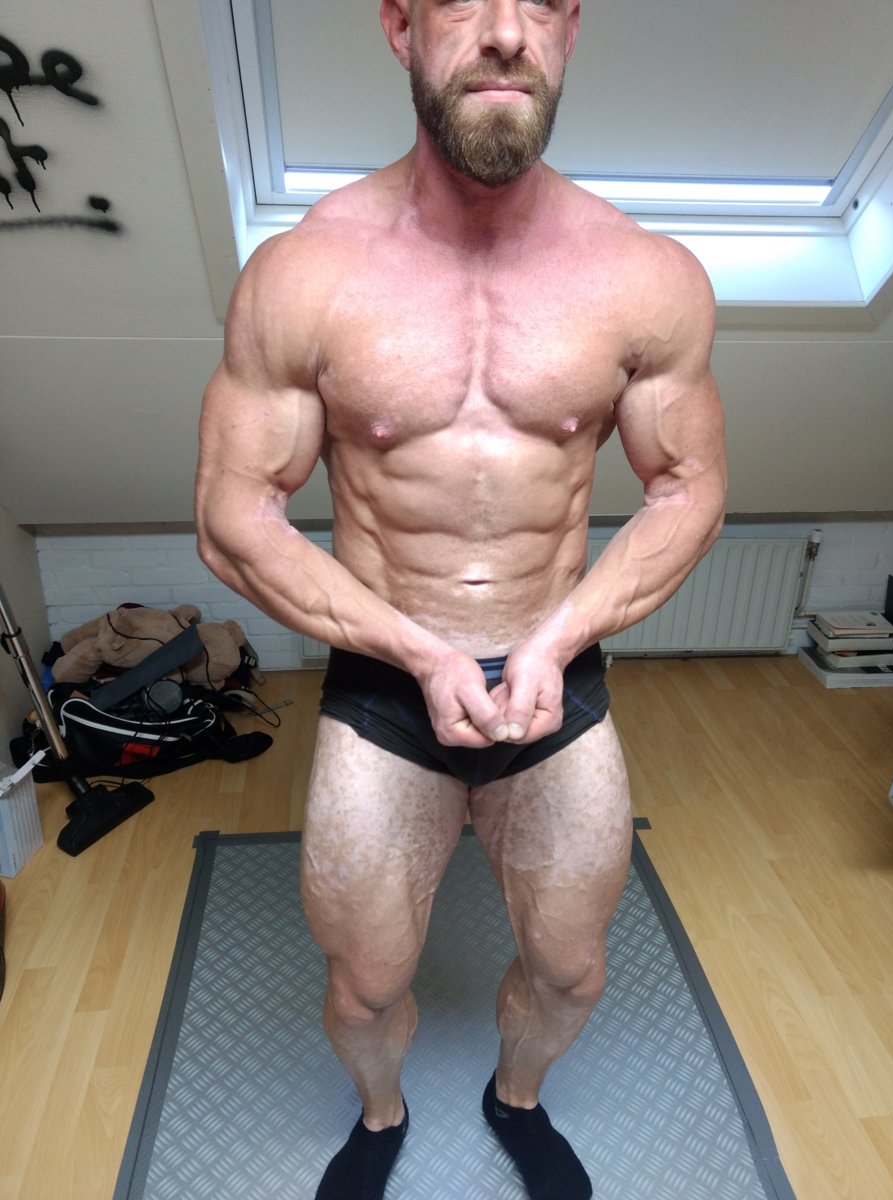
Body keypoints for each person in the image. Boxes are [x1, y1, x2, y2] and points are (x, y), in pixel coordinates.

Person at [195, 1, 727, 1196]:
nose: (503, 33)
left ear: (570, 29)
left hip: (558, 680)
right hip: (388, 689)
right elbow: (235, 515)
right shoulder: (305, 273)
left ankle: (514, 1098)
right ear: (402, 26)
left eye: (536, 2)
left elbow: (689, 488)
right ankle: (380, 1117)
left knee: (572, 969)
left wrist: (561, 635)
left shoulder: (647, 277)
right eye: (463, 2)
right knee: (365, 985)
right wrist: (421, 652)